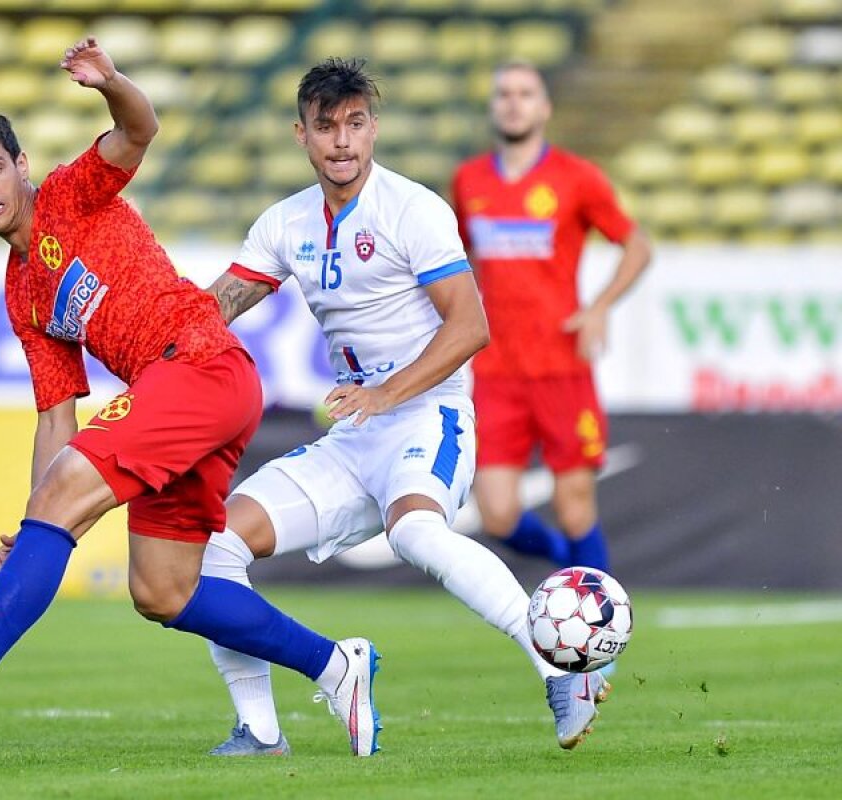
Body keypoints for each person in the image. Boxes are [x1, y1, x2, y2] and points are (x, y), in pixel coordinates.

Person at [0, 38, 381, 757]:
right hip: (186, 394)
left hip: (197, 364)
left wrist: (110, 83)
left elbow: (140, 130)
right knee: (162, 591)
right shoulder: (21, 293)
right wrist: (35, 512)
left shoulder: (72, 194)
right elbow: (55, 415)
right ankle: (336, 664)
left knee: (72, 503)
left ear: (21, 166)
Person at [198, 58, 607, 756]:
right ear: (302, 134)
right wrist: (148, 342)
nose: (342, 142)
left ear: (374, 129)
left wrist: (386, 392)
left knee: (416, 534)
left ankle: (561, 670)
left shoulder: (413, 209)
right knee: (213, 549)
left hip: (430, 416)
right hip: (354, 434)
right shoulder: (285, 223)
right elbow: (213, 312)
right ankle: (261, 731)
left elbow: (470, 326)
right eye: (326, 127)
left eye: (355, 124)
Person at [450, 61, 651, 574]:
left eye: (525, 93)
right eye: (504, 93)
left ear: (544, 108)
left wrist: (599, 308)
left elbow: (637, 245)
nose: (513, 102)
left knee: (574, 504)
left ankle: (599, 629)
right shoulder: (469, 180)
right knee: (495, 513)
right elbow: (454, 263)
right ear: (493, 106)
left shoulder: (576, 178)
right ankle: (572, 571)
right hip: (495, 369)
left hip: (562, 364)